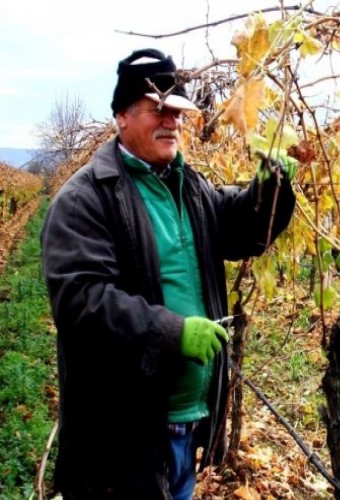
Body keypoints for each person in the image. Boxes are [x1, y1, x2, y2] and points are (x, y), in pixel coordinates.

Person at [41, 48, 297, 499]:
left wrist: (270, 186)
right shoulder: (85, 199)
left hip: (187, 422)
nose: (172, 121)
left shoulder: (189, 187)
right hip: (122, 440)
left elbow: (241, 232)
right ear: (121, 115)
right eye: (157, 108)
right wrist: (172, 331)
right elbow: (81, 302)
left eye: (177, 111)